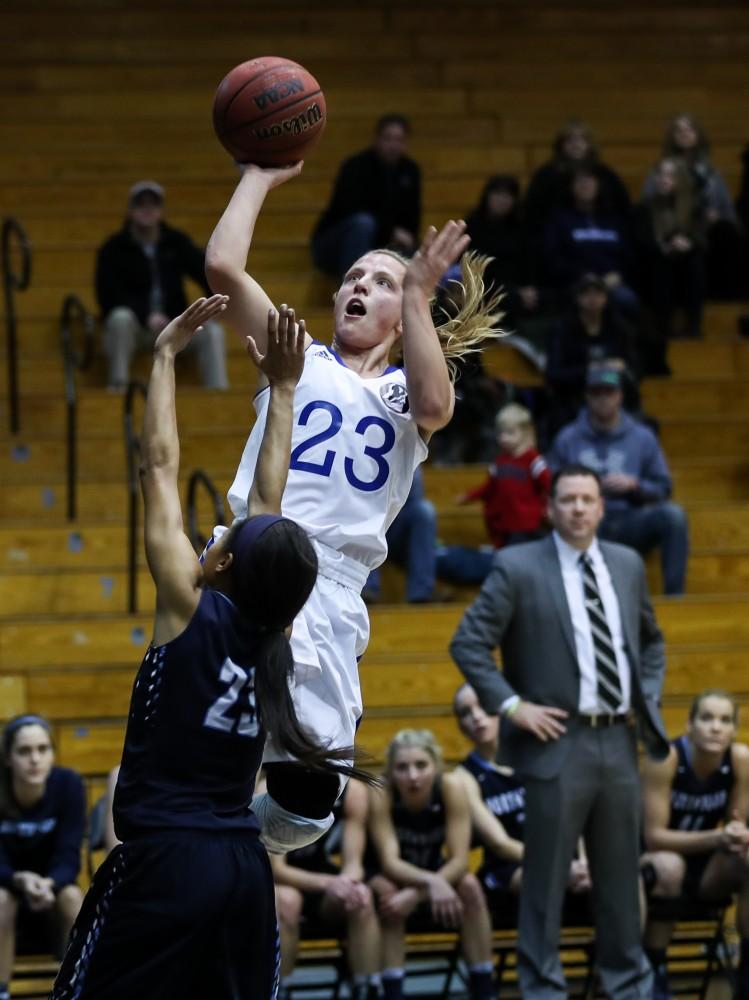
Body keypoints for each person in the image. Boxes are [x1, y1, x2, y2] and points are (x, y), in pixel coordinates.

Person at [51, 296, 365, 1000]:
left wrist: (162, 358)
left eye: (223, 539)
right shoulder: (280, 631)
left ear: (222, 565)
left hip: (165, 862)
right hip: (242, 871)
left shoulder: (186, 606)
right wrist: (283, 391)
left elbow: (158, 469)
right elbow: (269, 507)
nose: (217, 534)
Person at [205, 161, 501, 822]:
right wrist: (258, 174)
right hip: (249, 552)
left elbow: (433, 402)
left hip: (331, 584)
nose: (359, 285)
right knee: (204, 738)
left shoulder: (403, 392)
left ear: (404, 314)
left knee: (306, 808)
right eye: (351, 277)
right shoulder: (296, 356)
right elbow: (224, 269)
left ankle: (240, 854)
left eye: (382, 281)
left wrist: (423, 294)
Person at [450, 463, 670, 1000]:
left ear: (601, 507)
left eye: (587, 499)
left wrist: (647, 697)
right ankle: (543, 989)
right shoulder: (518, 565)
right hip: (555, 742)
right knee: (545, 882)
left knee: (620, 879)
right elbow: (468, 643)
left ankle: (629, 987)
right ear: (550, 508)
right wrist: (512, 706)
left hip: (619, 739)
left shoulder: (626, 563)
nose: (577, 508)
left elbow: (651, 641)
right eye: (567, 499)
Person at [367, 729, 495, 1000]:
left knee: (470, 885)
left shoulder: (450, 787)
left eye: (421, 766)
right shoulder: (382, 791)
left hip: (431, 875)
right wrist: (430, 884)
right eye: (402, 768)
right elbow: (389, 862)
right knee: (390, 895)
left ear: (435, 766)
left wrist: (419, 892)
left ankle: (484, 988)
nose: (412, 776)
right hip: (390, 875)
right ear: (391, 771)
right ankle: (393, 992)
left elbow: (460, 861)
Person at [640, 690, 749, 1000]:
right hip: (651, 863)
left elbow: (736, 823)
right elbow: (654, 836)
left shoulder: (741, 760)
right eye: (707, 718)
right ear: (689, 725)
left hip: (704, 866)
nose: (716, 727)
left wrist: (738, 835)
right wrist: (718, 837)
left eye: (725, 720)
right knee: (669, 865)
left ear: (733, 730)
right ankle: (655, 967)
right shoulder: (666, 759)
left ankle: (746, 971)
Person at [548, 367, 689, 595]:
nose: (603, 399)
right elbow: (549, 487)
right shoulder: (568, 438)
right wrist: (582, 492)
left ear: (620, 395)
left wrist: (635, 486)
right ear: (587, 396)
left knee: (674, 516)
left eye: (609, 392)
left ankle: (675, 599)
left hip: (630, 519)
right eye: (596, 393)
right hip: (584, 521)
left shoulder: (642, 437)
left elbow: (663, 488)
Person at [452, 684, 591, 903]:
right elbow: (500, 843)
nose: (477, 717)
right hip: (512, 866)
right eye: (465, 713)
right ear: (460, 726)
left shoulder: (538, 750)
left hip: (568, 858)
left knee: (620, 876)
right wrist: (559, 868)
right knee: (542, 883)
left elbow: (576, 815)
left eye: (484, 706)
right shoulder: (463, 777)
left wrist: (584, 860)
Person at [95, 180, 228, 391]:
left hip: (176, 324)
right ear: (130, 210)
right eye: (141, 204)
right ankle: (117, 388)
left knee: (212, 331)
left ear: (160, 210)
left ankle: (218, 393)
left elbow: (206, 271)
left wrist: (214, 303)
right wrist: (145, 315)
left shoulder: (176, 242)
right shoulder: (113, 249)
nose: (147, 210)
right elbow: (107, 297)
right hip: (136, 328)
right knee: (119, 319)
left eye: (153, 204)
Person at [0, 716, 85, 1000]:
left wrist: (49, 883)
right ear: (8, 758)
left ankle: (78, 989)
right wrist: (19, 879)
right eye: (24, 751)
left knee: (74, 896)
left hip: (52, 893)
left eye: (42, 749)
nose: (35, 759)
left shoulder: (69, 784)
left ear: (52, 753)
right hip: (8, 892)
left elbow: (69, 854)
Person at [272, 779, 381, 1000]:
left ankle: (367, 987)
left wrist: (347, 884)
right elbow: (276, 870)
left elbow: (354, 864)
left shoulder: (353, 791)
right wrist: (331, 883)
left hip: (321, 873)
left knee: (361, 896)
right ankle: (280, 989)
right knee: (287, 901)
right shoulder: (272, 785)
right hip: (282, 879)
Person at [641, 114, 744, 300]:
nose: (684, 134)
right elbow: (648, 202)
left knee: (726, 231)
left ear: (698, 135)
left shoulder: (711, 172)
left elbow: (727, 209)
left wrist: (717, 217)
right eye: (678, 130)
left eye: (689, 129)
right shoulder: (660, 169)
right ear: (672, 137)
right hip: (669, 228)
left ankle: (722, 296)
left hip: (703, 229)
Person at [311, 114, 421, 277]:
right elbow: (348, 208)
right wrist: (391, 231)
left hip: (381, 247)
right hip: (334, 245)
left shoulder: (411, 171)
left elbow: (412, 221)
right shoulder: (356, 166)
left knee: (420, 252)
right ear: (377, 139)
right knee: (363, 225)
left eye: (399, 140)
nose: (393, 145)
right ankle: (351, 289)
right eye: (388, 138)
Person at [544, 273, 640, 433]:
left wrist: (623, 367)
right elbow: (553, 374)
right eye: (586, 293)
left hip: (615, 396)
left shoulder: (619, 328)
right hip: (574, 399)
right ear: (577, 298)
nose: (592, 298)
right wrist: (591, 370)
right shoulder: (562, 329)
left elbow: (636, 369)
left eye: (598, 293)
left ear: (605, 298)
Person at [543, 167, 638, 318]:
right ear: (571, 187)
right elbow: (553, 258)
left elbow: (629, 255)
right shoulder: (559, 219)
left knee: (626, 300)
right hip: (575, 281)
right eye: (580, 181)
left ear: (599, 186)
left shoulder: (614, 219)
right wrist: (583, 275)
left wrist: (619, 275)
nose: (585, 185)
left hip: (612, 282)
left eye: (589, 181)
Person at [457, 402, 551, 549]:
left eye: (510, 433)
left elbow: (549, 486)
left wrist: (549, 508)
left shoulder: (533, 460)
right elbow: (489, 487)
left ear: (525, 432)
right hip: (503, 524)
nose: (504, 438)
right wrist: (469, 496)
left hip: (527, 526)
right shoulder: (499, 461)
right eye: (500, 433)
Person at [635, 158, 708, 346]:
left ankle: (694, 325)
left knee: (695, 262)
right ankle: (663, 326)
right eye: (660, 174)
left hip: (686, 259)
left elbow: (700, 237)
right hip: (655, 260)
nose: (663, 179)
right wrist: (666, 246)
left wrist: (688, 242)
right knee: (661, 264)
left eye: (670, 175)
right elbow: (642, 241)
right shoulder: (644, 207)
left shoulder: (694, 206)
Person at [524, 119, 631, 238]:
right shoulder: (545, 175)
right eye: (570, 139)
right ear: (561, 144)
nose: (575, 144)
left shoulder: (605, 174)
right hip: (556, 237)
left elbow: (621, 209)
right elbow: (533, 213)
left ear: (589, 144)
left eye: (581, 139)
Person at [361, 467, 448, 605]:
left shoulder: (407, 447)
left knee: (424, 511)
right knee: (365, 507)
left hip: (397, 528)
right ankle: (367, 589)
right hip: (370, 521)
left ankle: (421, 592)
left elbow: (414, 495)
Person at [464, 174, 541, 325]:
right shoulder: (473, 226)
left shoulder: (522, 227)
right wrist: (513, 292)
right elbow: (474, 270)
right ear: (487, 196)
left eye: (508, 196)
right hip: (484, 290)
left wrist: (528, 290)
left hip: (518, 290)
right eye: (498, 194)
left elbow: (529, 263)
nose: (502, 200)